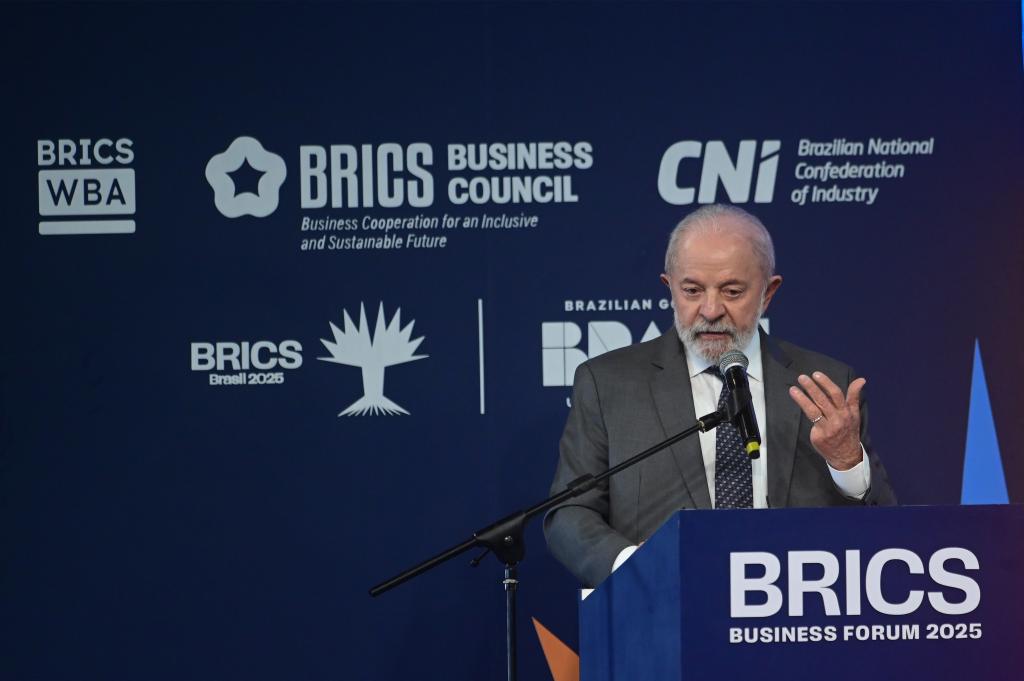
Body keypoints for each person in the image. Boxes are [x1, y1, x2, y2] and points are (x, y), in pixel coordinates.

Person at [543, 204, 897, 587]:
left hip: (796, 606)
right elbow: (569, 512)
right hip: (664, 606)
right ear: (669, 287)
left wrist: (846, 462)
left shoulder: (826, 384)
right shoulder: (609, 384)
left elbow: (887, 523)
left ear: (768, 293)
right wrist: (634, 566)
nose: (711, 310)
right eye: (692, 290)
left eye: (732, 291)